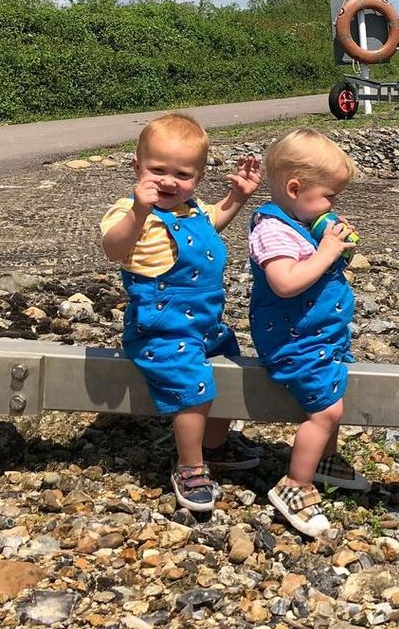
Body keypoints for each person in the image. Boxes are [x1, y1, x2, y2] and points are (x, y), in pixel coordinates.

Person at [100, 112, 262, 512]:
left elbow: (212, 225)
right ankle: (189, 465)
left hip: (205, 323)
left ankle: (216, 444)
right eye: (157, 171)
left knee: (228, 372)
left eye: (183, 174)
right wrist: (138, 212)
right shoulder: (129, 210)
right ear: (137, 167)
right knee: (194, 389)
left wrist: (237, 199)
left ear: (199, 176)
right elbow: (114, 249)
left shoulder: (192, 209)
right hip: (163, 328)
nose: (169, 182)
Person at [248, 127, 368, 539]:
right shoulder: (272, 230)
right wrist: (326, 252)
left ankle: (324, 460)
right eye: (329, 197)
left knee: (334, 387)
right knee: (326, 410)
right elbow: (285, 282)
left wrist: (336, 248)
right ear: (295, 188)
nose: (333, 206)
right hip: (292, 338)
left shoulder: (301, 221)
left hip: (319, 335)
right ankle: (295, 485)